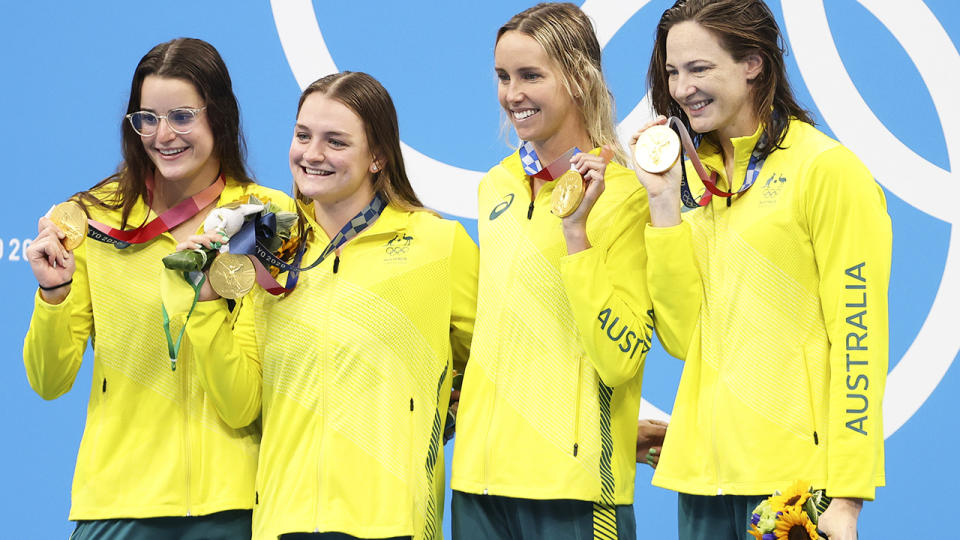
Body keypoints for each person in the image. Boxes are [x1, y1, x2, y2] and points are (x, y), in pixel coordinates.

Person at [175, 71, 478, 540]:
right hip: (283, 524)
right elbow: (241, 406)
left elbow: (492, 367)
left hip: (390, 526)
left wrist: (434, 415)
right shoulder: (269, 253)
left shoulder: (438, 245)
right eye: (302, 135)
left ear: (378, 155)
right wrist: (208, 303)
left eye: (335, 141)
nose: (311, 154)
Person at [634, 1, 891, 539]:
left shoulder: (825, 170)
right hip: (702, 483)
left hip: (794, 487)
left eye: (700, 69)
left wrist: (847, 494)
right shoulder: (691, 183)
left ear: (753, 63)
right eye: (673, 71)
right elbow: (683, 337)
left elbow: (859, 337)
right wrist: (662, 202)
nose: (682, 89)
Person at [23, 38, 294, 539]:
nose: (163, 135)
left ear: (221, 116)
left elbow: (246, 402)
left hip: (233, 503)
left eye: (182, 117)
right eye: (147, 118)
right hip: (118, 500)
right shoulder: (89, 220)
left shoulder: (264, 218)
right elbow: (48, 380)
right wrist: (54, 295)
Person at [450, 4, 657, 539]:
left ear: (580, 78)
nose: (512, 93)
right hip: (479, 483)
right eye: (503, 77)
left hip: (574, 485)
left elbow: (623, 355)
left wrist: (577, 236)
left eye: (530, 75)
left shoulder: (629, 198)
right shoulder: (496, 185)